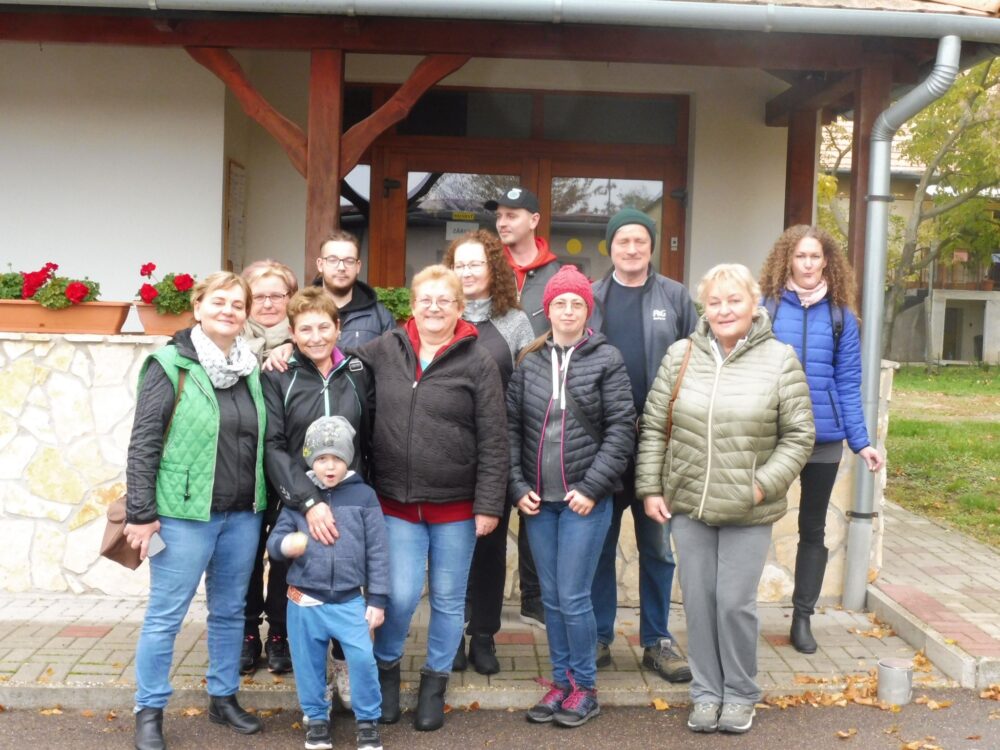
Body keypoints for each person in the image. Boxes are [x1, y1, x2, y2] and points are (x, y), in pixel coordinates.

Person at [637, 263, 814, 735]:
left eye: (734, 300)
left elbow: (799, 435)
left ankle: (739, 693)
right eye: (714, 302)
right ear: (704, 308)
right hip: (690, 504)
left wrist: (760, 485)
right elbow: (655, 426)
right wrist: (651, 487)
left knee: (734, 604)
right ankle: (705, 693)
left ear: (754, 304)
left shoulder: (780, 359)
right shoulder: (681, 355)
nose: (724, 310)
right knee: (698, 602)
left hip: (747, 507)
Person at [358, 265, 508, 732]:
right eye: (426, 299)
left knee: (447, 600)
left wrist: (488, 504)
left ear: (460, 308)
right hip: (396, 504)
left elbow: (494, 439)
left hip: (456, 507)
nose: (434, 307)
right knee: (399, 595)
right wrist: (286, 349)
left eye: (445, 300)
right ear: (412, 305)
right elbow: (333, 360)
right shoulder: (386, 349)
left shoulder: (478, 361)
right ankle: (386, 673)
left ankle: (434, 684)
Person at [124, 271, 268, 750]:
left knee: (230, 613)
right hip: (183, 517)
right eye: (219, 301)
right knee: (166, 616)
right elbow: (144, 443)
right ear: (198, 307)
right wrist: (141, 513)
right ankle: (149, 709)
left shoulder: (250, 368)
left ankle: (223, 698)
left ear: (246, 315)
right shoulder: (170, 365)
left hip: (242, 514)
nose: (229, 310)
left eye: (237, 304)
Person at [507, 265, 636, 728]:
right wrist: (518, 487)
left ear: (587, 310)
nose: (567, 310)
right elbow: (510, 429)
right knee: (552, 598)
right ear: (547, 310)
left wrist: (592, 488)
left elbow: (621, 430)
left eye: (576, 303)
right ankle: (561, 682)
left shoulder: (607, 359)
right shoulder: (529, 361)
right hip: (538, 502)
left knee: (575, 595)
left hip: (585, 500)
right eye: (559, 303)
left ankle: (585, 687)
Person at [759, 225, 885, 654]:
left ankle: (802, 618)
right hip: (773, 437)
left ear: (826, 261)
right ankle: (739, 614)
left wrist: (861, 442)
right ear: (787, 260)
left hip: (823, 438)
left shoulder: (841, 317)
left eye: (815, 256)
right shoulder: (767, 308)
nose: (808, 264)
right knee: (753, 523)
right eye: (801, 256)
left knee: (812, 529)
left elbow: (848, 382)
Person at [588, 208, 698, 682]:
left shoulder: (675, 297)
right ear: (610, 247)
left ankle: (657, 640)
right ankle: (598, 636)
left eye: (640, 241)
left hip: (658, 445)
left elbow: (696, 362)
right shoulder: (590, 298)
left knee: (658, 548)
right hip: (603, 446)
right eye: (623, 241)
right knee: (599, 546)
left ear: (651, 247)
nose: (632, 249)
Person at [262, 286, 374, 708]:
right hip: (298, 496)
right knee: (299, 576)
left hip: (350, 496)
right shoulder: (278, 374)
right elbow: (274, 445)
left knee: (347, 580)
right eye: (305, 329)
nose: (316, 337)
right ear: (291, 333)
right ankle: (312, 670)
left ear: (338, 327)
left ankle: (343, 662)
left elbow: (369, 436)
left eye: (324, 327)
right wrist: (308, 502)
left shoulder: (358, 371)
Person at [443, 229, 534, 675]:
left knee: (490, 549)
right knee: (449, 549)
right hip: (446, 453)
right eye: (459, 264)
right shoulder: (441, 316)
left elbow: (528, 389)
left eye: (475, 263)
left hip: (496, 455)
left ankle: (483, 635)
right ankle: (450, 635)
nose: (467, 271)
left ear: (493, 268)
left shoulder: (514, 322)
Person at [267, 416, 387, 750]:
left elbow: (378, 551)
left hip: (349, 601)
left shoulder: (365, 496)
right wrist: (285, 545)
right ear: (310, 460)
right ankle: (317, 719)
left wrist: (377, 599)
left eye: (336, 458)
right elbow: (274, 542)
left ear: (348, 458)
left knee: (362, 660)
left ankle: (368, 721)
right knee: (307, 665)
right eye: (321, 458)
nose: (329, 466)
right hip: (304, 601)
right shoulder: (297, 499)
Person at [485, 185, 559, 629]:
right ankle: (482, 608)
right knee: (490, 508)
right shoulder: (486, 269)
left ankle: (535, 598)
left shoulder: (558, 275)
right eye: (499, 215)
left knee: (534, 505)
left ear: (534, 220)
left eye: (512, 214)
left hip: (538, 410)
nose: (503, 221)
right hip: (488, 409)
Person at [240, 259, 299, 675]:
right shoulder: (226, 344)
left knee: (284, 554)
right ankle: (246, 631)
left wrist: (292, 346)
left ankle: (280, 631)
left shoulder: (303, 343)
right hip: (239, 466)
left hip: (285, 464)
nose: (267, 303)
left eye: (277, 295)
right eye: (258, 296)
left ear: (291, 299)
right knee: (244, 554)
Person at [316, 229, 396, 349]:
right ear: (320, 264)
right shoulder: (302, 310)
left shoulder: (380, 316)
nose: (341, 267)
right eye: (333, 260)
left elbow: (392, 357)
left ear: (358, 266)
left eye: (349, 261)